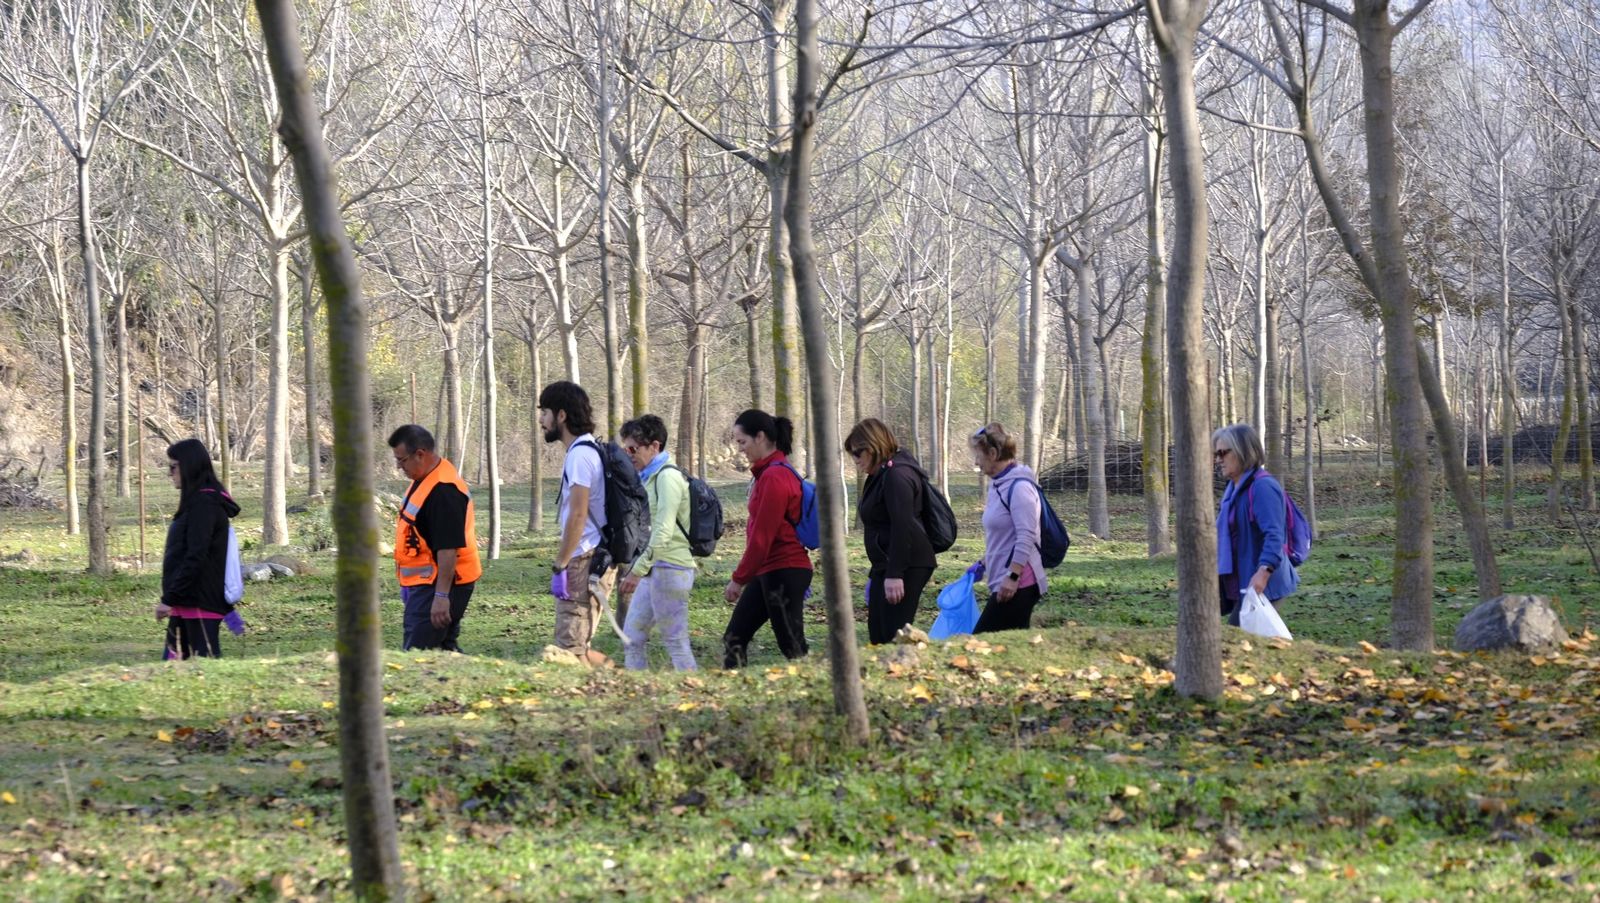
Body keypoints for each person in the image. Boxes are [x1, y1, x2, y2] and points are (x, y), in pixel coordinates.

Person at [721, 409, 812, 668]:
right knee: (734, 638)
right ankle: (736, 698)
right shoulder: (770, 473)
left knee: (792, 645)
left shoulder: (775, 476)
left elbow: (763, 536)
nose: (739, 449)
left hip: (784, 569)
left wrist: (738, 579)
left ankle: (823, 694)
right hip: (771, 570)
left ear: (760, 437)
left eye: (742, 442)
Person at [539, 380, 616, 665]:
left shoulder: (581, 456)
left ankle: (615, 695)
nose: (541, 420)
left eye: (545, 411)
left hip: (584, 557)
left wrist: (560, 564)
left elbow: (579, 514)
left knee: (569, 649)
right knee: (577, 647)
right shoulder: (585, 451)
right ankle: (619, 681)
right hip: (589, 555)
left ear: (561, 415)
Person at [389, 424, 481, 652]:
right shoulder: (425, 478)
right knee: (443, 651)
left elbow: (448, 550)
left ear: (420, 454)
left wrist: (441, 596)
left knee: (418, 655)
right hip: (426, 583)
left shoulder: (443, 492)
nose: (398, 467)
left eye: (401, 461)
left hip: (444, 584)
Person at [617, 415, 698, 671]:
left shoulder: (667, 477)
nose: (628, 454)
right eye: (625, 448)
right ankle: (638, 693)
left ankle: (693, 695)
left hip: (672, 568)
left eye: (633, 448)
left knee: (675, 640)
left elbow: (662, 532)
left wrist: (636, 571)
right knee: (632, 636)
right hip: (655, 568)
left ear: (655, 446)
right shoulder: (649, 477)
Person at [846, 418, 937, 644]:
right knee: (878, 635)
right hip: (887, 564)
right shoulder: (881, 474)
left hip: (907, 565)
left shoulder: (897, 475)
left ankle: (903, 673)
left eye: (858, 453)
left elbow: (901, 526)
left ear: (874, 446)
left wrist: (895, 574)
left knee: (892, 636)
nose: (855, 460)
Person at [157, 438, 240, 659]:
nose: (170, 473)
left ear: (189, 466)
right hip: (187, 604)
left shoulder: (204, 505)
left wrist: (168, 599)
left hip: (198, 606)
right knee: (174, 673)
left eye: (173, 467)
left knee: (203, 673)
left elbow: (196, 556)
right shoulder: (199, 502)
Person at [1213, 423, 1299, 625]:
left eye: (1223, 453)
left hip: (1263, 581)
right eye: (1216, 454)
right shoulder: (1233, 489)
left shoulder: (1262, 487)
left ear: (1243, 451)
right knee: (1246, 640)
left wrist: (1263, 573)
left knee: (1242, 638)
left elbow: (1275, 536)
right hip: (1243, 579)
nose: (1218, 460)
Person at [968, 422, 1047, 633]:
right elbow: (1005, 535)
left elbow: (1026, 536)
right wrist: (984, 562)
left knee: (982, 641)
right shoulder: (998, 484)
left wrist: (1012, 577)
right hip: (1002, 579)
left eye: (978, 456)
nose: (976, 462)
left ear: (993, 453)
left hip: (1019, 583)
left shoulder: (1020, 487)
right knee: (1010, 646)